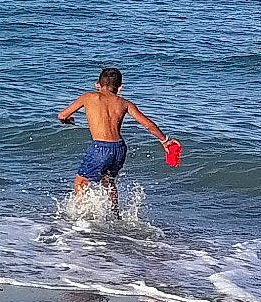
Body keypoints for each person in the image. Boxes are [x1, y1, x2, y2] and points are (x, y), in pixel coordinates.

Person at [58, 66, 178, 205]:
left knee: (80, 182)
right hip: (119, 148)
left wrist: (68, 121)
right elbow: (148, 124)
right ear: (120, 87)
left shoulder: (88, 97)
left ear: (97, 84)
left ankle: (80, 214)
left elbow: (62, 115)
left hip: (100, 148)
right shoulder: (125, 103)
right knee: (108, 182)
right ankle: (115, 213)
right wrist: (165, 141)